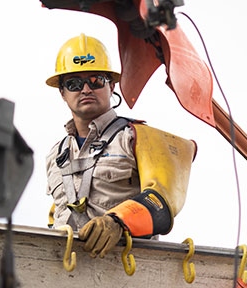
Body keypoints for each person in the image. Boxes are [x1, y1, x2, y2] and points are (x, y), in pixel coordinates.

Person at [45, 33, 196, 258]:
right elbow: (55, 215)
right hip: (67, 269)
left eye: (96, 80)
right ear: (62, 93)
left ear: (112, 85)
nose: (86, 89)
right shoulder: (57, 155)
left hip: (127, 268)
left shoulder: (137, 138)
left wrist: (118, 222)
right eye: (74, 83)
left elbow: (162, 202)